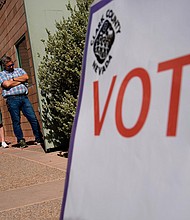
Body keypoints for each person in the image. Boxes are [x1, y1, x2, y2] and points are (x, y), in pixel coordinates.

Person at [0, 55, 43, 148]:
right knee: (16, 121)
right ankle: (21, 140)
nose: (11, 67)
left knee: (33, 118)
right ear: (4, 66)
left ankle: (38, 138)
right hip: (12, 99)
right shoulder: (2, 74)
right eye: (9, 66)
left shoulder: (19, 70)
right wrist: (20, 81)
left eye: (12, 64)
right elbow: (6, 84)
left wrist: (13, 80)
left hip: (24, 97)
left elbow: (26, 77)